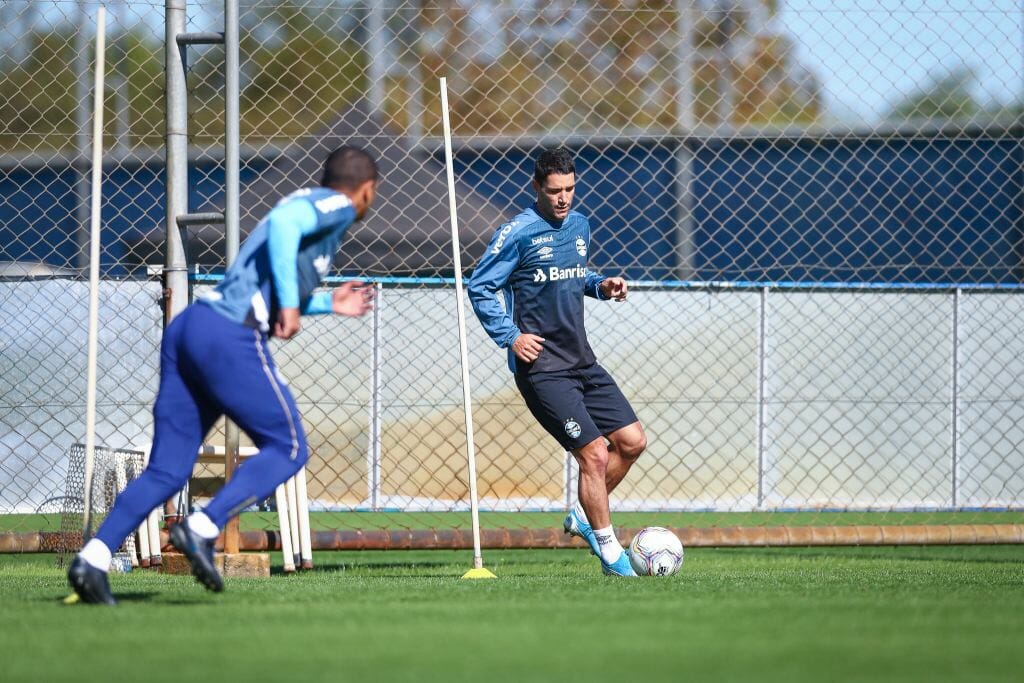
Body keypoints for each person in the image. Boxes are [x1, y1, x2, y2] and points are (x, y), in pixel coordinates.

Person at [68, 146, 380, 604]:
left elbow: (263, 289)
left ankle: (92, 559)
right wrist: (293, 304)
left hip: (193, 329)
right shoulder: (334, 205)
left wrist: (325, 303)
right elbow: (285, 226)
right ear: (366, 191)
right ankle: (201, 526)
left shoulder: (318, 231)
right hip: (226, 337)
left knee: (168, 471)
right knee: (289, 447)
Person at [467, 146, 647, 577]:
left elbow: (573, 274)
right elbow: (479, 286)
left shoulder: (581, 225)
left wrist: (602, 286)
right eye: (554, 191)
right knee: (594, 456)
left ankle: (585, 518)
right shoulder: (518, 233)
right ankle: (611, 555)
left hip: (582, 360)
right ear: (537, 187)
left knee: (632, 442)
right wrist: (510, 337)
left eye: (569, 189)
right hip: (543, 369)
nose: (563, 198)